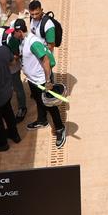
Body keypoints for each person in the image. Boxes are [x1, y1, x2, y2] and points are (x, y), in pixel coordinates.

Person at [10, 18, 66, 148]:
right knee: (38, 100)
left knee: (51, 106)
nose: (12, 35)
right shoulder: (22, 40)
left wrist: (47, 81)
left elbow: (46, 60)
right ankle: (42, 120)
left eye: (14, 32)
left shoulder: (33, 43)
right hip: (32, 80)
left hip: (41, 81)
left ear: (19, 31)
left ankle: (59, 128)